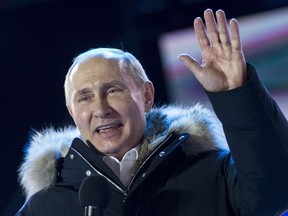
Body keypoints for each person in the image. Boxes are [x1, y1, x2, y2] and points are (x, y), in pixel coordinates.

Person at [16, 9, 288, 216]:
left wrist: (237, 95)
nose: (101, 109)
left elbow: (275, 193)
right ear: (72, 113)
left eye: (113, 90)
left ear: (146, 96)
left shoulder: (211, 170)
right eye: (85, 97)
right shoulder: (44, 206)